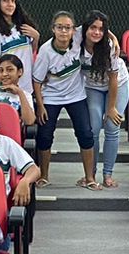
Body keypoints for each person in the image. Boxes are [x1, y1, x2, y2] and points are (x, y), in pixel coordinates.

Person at [32, 11, 98, 188]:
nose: (63, 31)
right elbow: (37, 81)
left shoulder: (78, 38)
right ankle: (43, 176)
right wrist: (40, 105)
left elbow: (101, 27)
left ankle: (89, 178)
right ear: (53, 29)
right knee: (44, 136)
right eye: (59, 27)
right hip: (51, 97)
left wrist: (113, 40)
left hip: (76, 95)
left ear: (73, 30)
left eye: (67, 27)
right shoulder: (45, 51)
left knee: (86, 134)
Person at [80, 10, 128, 188]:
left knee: (112, 125)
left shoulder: (109, 47)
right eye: (93, 28)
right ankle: (90, 174)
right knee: (93, 128)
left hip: (117, 84)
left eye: (101, 29)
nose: (97, 32)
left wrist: (111, 108)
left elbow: (113, 79)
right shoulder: (76, 39)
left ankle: (108, 174)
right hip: (92, 87)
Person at [0, 0, 40, 93]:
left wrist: (36, 37)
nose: (10, 4)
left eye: (13, 1)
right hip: (10, 88)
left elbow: (31, 52)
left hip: (27, 85)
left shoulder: (23, 25)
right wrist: (1, 88)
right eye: (5, 1)